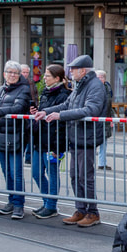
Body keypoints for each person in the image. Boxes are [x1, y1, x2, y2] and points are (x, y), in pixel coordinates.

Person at [34, 55, 108, 228]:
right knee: (75, 176)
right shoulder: (80, 85)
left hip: (86, 137)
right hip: (76, 136)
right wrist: (46, 111)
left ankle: (92, 212)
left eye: (73, 69)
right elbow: (67, 104)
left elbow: (91, 109)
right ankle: (81, 209)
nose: (70, 72)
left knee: (85, 177)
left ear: (82, 70)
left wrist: (60, 116)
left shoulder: (94, 86)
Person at [0, 60, 32, 220]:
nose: (12, 75)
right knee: (6, 172)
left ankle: (19, 204)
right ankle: (11, 201)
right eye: (9, 72)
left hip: (17, 135)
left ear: (19, 75)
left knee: (16, 172)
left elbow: (18, 108)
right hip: (1, 135)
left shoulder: (24, 89)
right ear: (4, 74)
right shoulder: (1, 89)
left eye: (15, 73)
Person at [29, 64, 71, 219]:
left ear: (57, 78)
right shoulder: (45, 92)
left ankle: (51, 205)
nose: (44, 78)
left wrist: (58, 147)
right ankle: (47, 201)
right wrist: (36, 111)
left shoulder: (64, 94)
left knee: (52, 173)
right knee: (36, 173)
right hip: (40, 139)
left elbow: (62, 124)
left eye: (47, 75)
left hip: (53, 141)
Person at [96, 69, 114, 170]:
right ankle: (89, 163)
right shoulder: (93, 89)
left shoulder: (107, 88)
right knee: (93, 142)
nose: (99, 79)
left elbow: (109, 105)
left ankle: (102, 163)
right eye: (97, 77)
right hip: (95, 120)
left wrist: (111, 118)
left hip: (105, 119)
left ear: (104, 79)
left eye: (101, 77)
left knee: (104, 142)